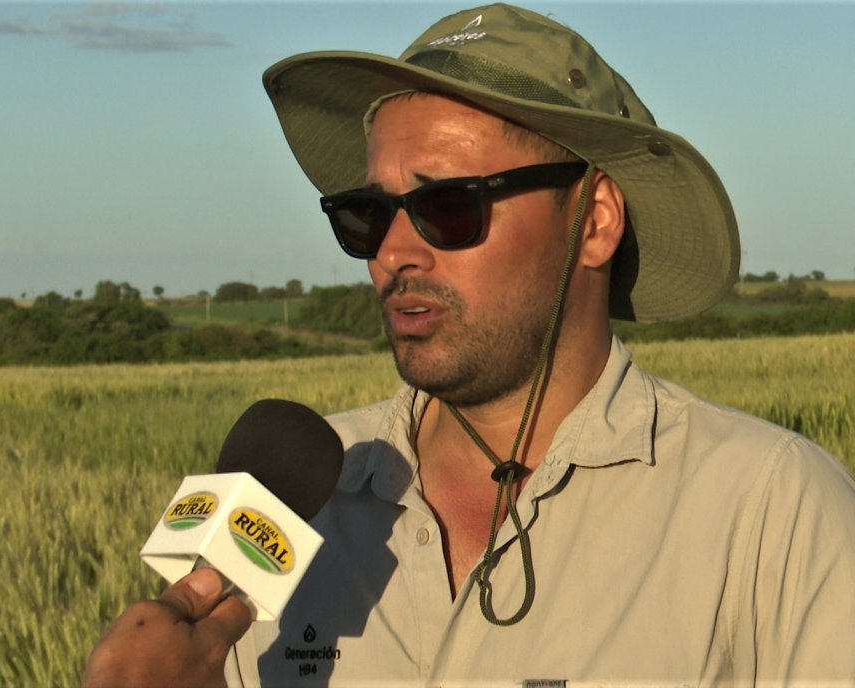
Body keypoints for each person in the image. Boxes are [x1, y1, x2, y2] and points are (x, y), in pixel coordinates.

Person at [83, 5, 855, 686]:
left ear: (594, 221)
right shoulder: (287, 502)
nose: (392, 250)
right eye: (366, 213)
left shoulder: (769, 512)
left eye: (446, 205)